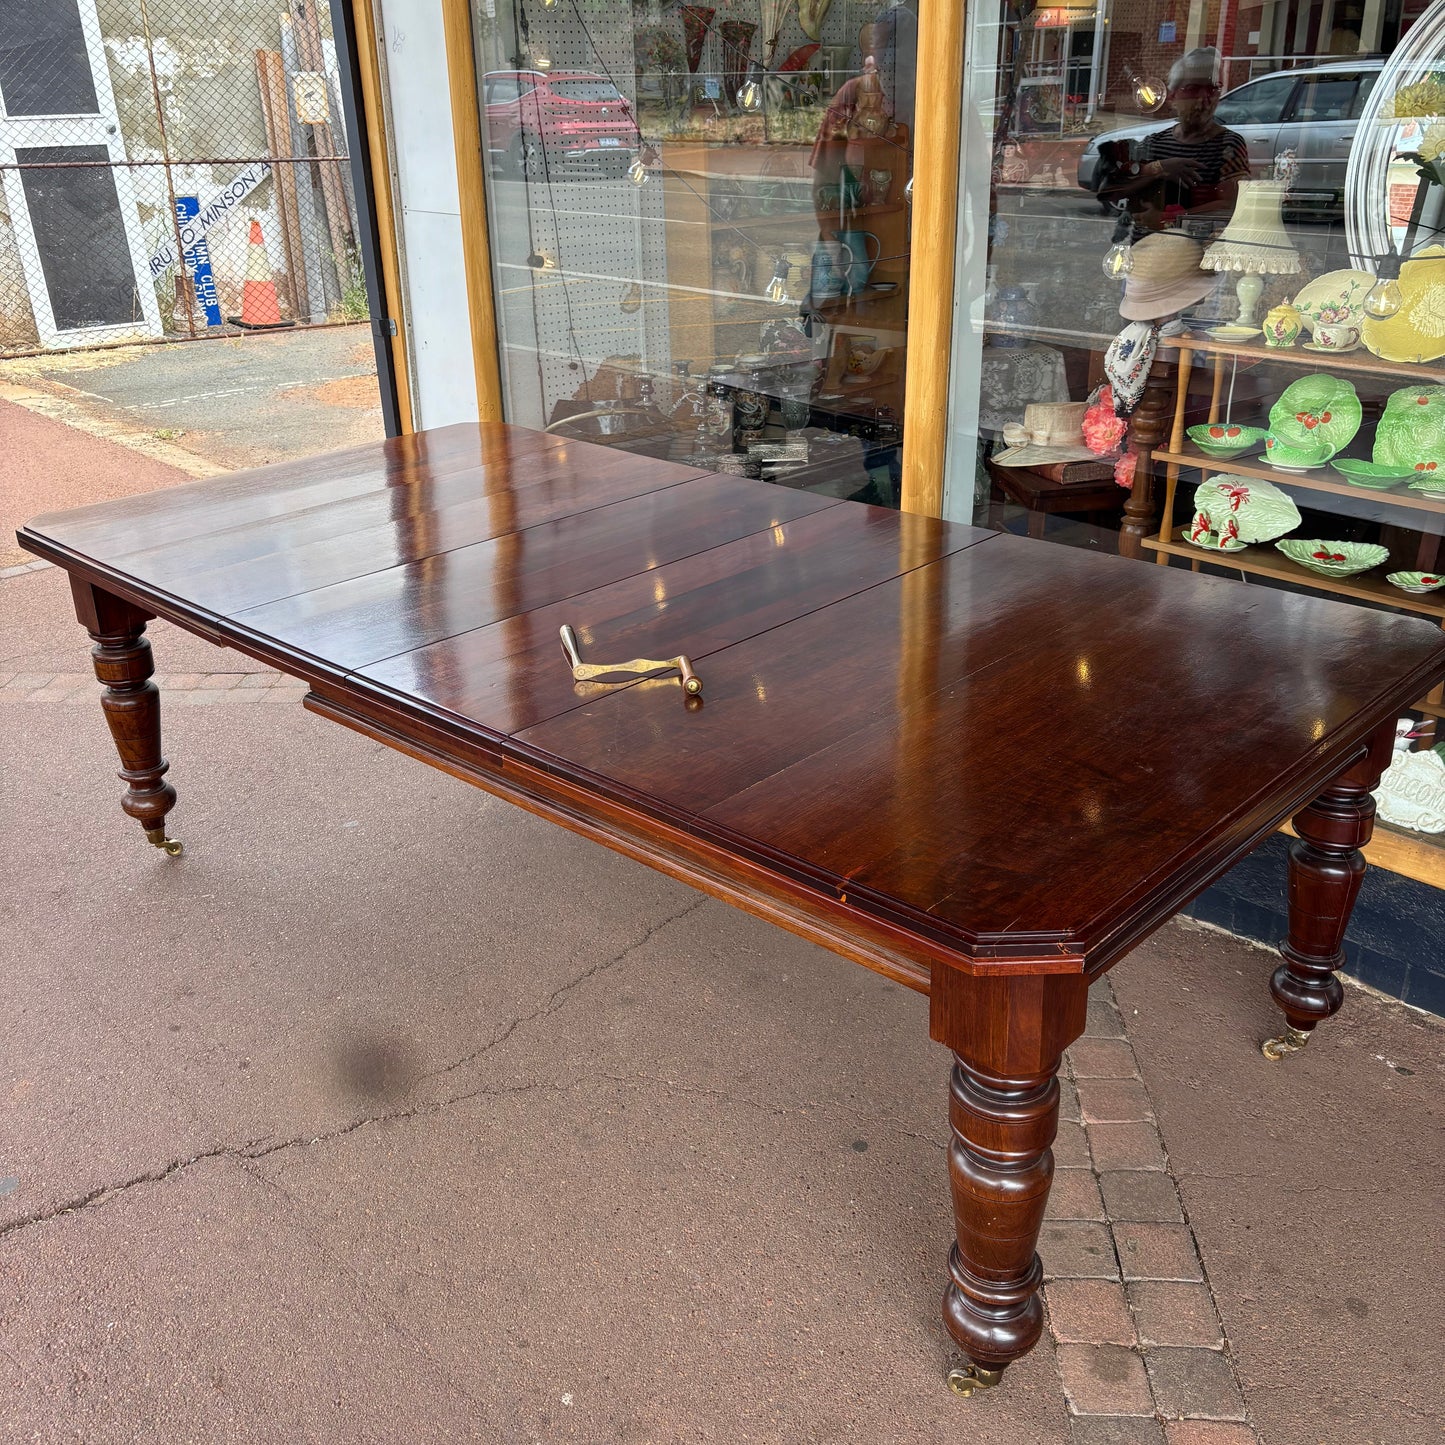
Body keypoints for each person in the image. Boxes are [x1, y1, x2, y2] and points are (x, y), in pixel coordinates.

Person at [1099, 48, 1249, 240]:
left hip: (1192, 258)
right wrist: (1159, 168)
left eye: (1213, 88)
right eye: (1193, 89)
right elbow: (1110, 188)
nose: (1205, 99)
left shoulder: (1228, 145)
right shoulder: (1155, 142)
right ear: (1172, 96)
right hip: (1146, 257)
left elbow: (1231, 206)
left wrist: (1168, 219)